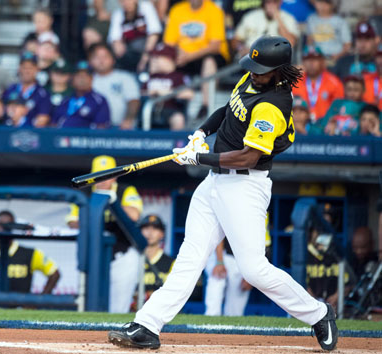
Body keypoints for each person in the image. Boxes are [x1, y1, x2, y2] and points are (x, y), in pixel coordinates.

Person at [108, 36, 337, 352]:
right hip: (215, 183)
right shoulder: (252, 78)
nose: (254, 73)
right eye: (253, 67)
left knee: (254, 269)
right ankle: (148, 324)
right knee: (190, 256)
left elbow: (247, 157)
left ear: (278, 70)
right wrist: (200, 134)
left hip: (245, 186)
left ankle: (319, 313)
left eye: (261, 69)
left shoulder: (273, 105)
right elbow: (227, 109)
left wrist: (197, 158)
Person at [68, 155, 144, 313]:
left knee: (119, 308)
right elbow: (72, 221)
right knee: (88, 304)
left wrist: (113, 200)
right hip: (93, 257)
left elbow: (134, 215)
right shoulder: (84, 193)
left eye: (107, 175)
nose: (102, 180)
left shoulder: (125, 190)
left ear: (115, 176)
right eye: (98, 175)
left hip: (122, 255)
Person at [162, 0, 229, 118]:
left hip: (209, 55)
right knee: (162, 61)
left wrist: (188, 56)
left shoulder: (214, 10)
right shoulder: (177, 10)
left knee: (209, 62)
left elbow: (215, 46)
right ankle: (166, 105)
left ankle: (205, 105)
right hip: (184, 56)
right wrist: (180, 54)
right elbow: (169, 43)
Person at [204, 216, 270, 316]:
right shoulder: (230, 203)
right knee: (217, 279)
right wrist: (219, 262)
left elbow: (264, 246)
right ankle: (210, 317)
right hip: (220, 253)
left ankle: (230, 328)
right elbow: (218, 233)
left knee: (235, 310)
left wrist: (252, 275)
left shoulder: (260, 212)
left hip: (243, 260)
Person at [0, 210, 61, 294]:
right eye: (0, 225)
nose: (4, 229)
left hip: (20, 306)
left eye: (8, 225)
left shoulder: (29, 253)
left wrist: (40, 300)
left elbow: (54, 273)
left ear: (14, 226)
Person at [0, 52, 52, 128]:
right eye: (24, 67)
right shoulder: (11, 89)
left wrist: (22, 118)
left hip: (30, 135)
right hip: (6, 132)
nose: (27, 71)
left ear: (37, 69)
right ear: (19, 69)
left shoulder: (43, 94)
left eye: (30, 68)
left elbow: (42, 121)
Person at [89, 43, 140, 129]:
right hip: (92, 129)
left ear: (113, 59)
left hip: (120, 128)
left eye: (105, 57)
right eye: (97, 57)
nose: (101, 61)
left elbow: (133, 101)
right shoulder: (87, 80)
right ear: (90, 61)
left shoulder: (125, 78)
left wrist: (128, 119)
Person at [144, 43, 193, 130]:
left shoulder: (178, 77)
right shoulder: (151, 76)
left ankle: (178, 143)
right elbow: (140, 93)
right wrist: (150, 93)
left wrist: (165, 92)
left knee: (178, 119)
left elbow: (189, 94)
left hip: (170, 109)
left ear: (168, 59)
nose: (153, 60)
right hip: (150, 109)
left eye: (157, 57)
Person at [131, 214, 174, 311]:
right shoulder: (131, 260)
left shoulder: (171, 263)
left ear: (162, 233)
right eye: (146, 228)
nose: (150, 233)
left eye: (155, 228)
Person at [292, 46, 344, 124]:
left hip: (324, 128)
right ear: (303, 62)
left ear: (322, 61)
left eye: (315, 59)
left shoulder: (334, 83)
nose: (311, 63)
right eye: (308, 59)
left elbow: (339, 109)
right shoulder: (295, 81)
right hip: (299, 126)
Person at [52, 61, 111, 129]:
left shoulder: (99, 101)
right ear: (72, 79)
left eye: (85, 76)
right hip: (61, 137)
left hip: (85, 138)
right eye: (78, 76)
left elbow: (101, 127)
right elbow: (54, 124)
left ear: (91, 79)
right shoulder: (65, 100)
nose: (82, 79)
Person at [306, 218, 350, 310]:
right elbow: (300, 281)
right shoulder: (306, 253)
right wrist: (312, 300)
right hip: (312, 303)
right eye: (317, 232)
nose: (321, 236)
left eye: (324, 231)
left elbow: (350, 283)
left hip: (334, 304)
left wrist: (337, 296)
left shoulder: (337, 253)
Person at [108, 0, 162, 72]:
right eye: (123, 1)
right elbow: (114, 38)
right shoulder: (118, 14)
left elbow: (154, 33)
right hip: (130, 53)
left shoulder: (146, 7)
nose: (126, 3)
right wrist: (117, 44)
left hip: (148, 49)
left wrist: (144, 58)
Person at [233, 0, 299, 57]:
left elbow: (291, 43)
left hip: (276, 58)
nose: (271, 5)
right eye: (268, 2)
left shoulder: (288, 18)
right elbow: (236, 40)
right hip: (251, 56)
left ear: (280, 2)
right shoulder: (251, 17)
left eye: (274, 2)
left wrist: (277, 18)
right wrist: (241, 48)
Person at [305, 0, 351, 66]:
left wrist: (337, 56)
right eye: (320, 2)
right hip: (317, 58)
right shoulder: (311, 20)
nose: (322, 5)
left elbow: (347, 45)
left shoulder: (340, 21)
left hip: (336, 58)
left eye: (326, 3)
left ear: (332, 5)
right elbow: (309, 42)